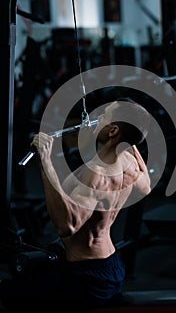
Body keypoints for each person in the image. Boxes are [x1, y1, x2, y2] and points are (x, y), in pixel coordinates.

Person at [0, 97, 151, 311]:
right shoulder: (129, 161)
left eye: (103, 116)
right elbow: (146, 187)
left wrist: (46, 162)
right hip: (110, 263)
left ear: (113, 131)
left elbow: (67, 225)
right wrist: (132, 138)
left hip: (85, 275)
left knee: (7, 293)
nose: (96, 118)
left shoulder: (97, 174)